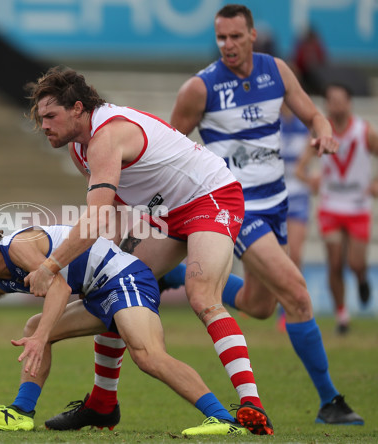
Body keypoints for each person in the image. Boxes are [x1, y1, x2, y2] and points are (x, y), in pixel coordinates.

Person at [22, 64, 274, 435]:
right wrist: (118, 256)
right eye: (40, 117)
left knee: (202, 295)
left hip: (210, 196)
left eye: (50, 116)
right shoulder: (81, 149)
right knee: (116, 284)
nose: (43, 125)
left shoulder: (105, 138)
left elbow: (91, 221)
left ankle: (252, 404)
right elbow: (117, 207)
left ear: (78, 109)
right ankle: (103, 403)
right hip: (166, 212)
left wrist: (51, 266)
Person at [159, 4, 363, 426]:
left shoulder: (276, 71)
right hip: (235, 206)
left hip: (277, 203)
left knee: (261, 304)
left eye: (236, 37)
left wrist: (323, 131)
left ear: (253, 36)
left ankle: (174, 276)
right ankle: (330, 401)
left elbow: (312, 113)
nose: (228, 45)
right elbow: (167, 149)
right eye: (221, 38)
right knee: (298, 295)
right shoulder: (200, 88)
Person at [0, 210, 253, 436]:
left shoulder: (17, 247)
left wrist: (42, 337)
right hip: (98, 294)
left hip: (124, 279)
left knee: (148, 356)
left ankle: (223, 419)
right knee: (32, 328)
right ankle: (22, 411)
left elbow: (59, 285)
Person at [296, 83, 378, 334]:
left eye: (341, 100)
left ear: (350, 103)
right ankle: (342, 316)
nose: (336, 105)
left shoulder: (364, 131)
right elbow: (300, 169)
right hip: (331, 206)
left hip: (358, 206)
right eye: (332, 100)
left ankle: (362, 278)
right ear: (327, 104)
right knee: (333, 262)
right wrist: (312, 181)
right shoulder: (322, 133)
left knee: (354, 262)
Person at [275, 105, 313, 331]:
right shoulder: (269, 121)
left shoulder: (306, 126)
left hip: (299, 196)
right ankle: (282, 306)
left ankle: (294, 308)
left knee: (295, 254)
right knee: (279, 255)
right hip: (274, 195)